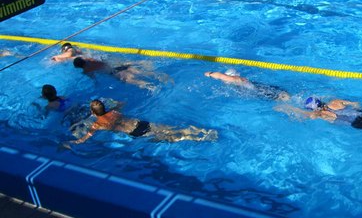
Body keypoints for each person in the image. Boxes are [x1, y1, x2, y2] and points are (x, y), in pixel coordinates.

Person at [68, 100, 217, 145]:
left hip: (136, 133)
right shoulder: (114, 111)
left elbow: (84, 138)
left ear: (93, 112)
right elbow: (122, 102)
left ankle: (199, 138)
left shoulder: (97, 124)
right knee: (173, 128)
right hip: (141, 123)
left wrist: (71, 142)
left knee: (170, 138)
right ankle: (201, 131)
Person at [73, 56, 169, 91]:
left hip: (114, 73)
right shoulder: (91, 59)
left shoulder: (86, 71)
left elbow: (94, 79)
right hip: (117, 66)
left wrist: (96, 84)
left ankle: (151, 87)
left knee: (130, 80)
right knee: (140, 72)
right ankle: (159, 75)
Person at [205, 70, 290, 101]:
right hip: (269, 92)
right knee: (280, 106)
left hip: (272, 92)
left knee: (286, 103)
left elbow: (221, 76)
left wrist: (210, 74)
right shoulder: (239, 83)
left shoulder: (239, 80)